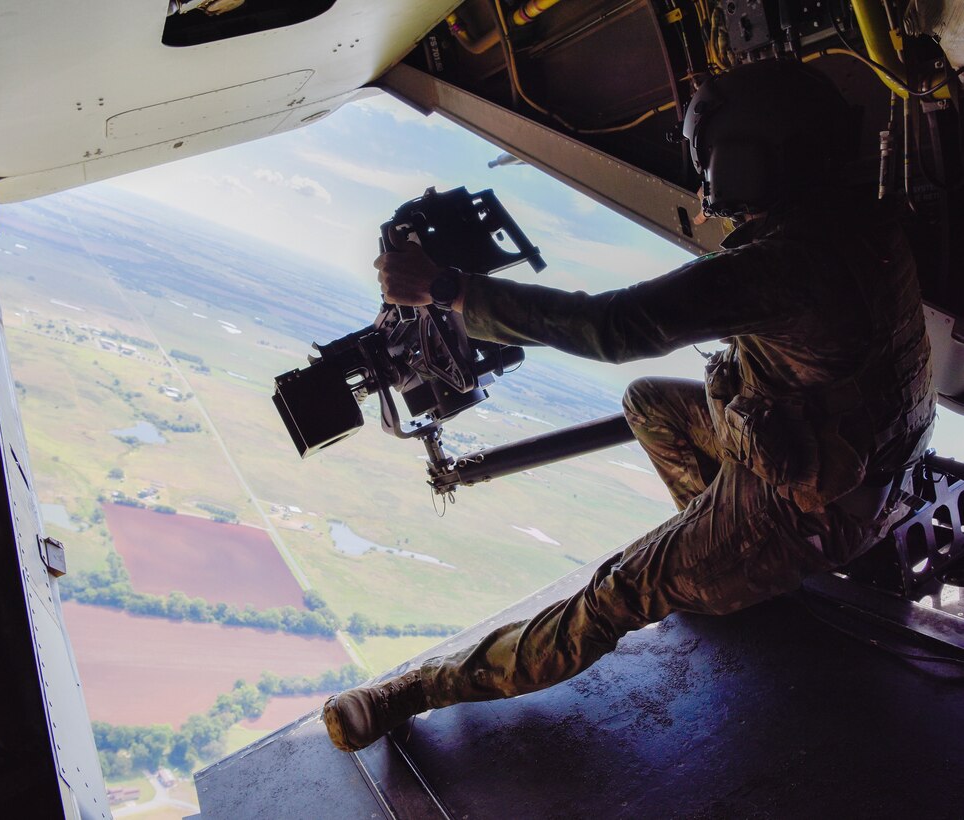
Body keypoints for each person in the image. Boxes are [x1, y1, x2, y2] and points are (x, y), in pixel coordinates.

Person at [321, 59, 936, 753]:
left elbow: (612, 328)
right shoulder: (868, 221)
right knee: (651, 403)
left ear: (747, 160)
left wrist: (449, 291)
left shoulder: (790, 265)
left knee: (614, 593)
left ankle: (421, 689)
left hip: (809, 511)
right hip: (861, 468)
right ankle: (723, 563)